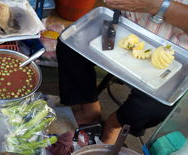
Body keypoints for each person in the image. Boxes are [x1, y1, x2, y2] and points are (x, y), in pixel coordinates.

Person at [56, 0, 188, 144]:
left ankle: (113, 126)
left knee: (155, 106)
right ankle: (89, 110)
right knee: (70, 43)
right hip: (124, 26)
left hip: (173, 54)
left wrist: (156, 6)